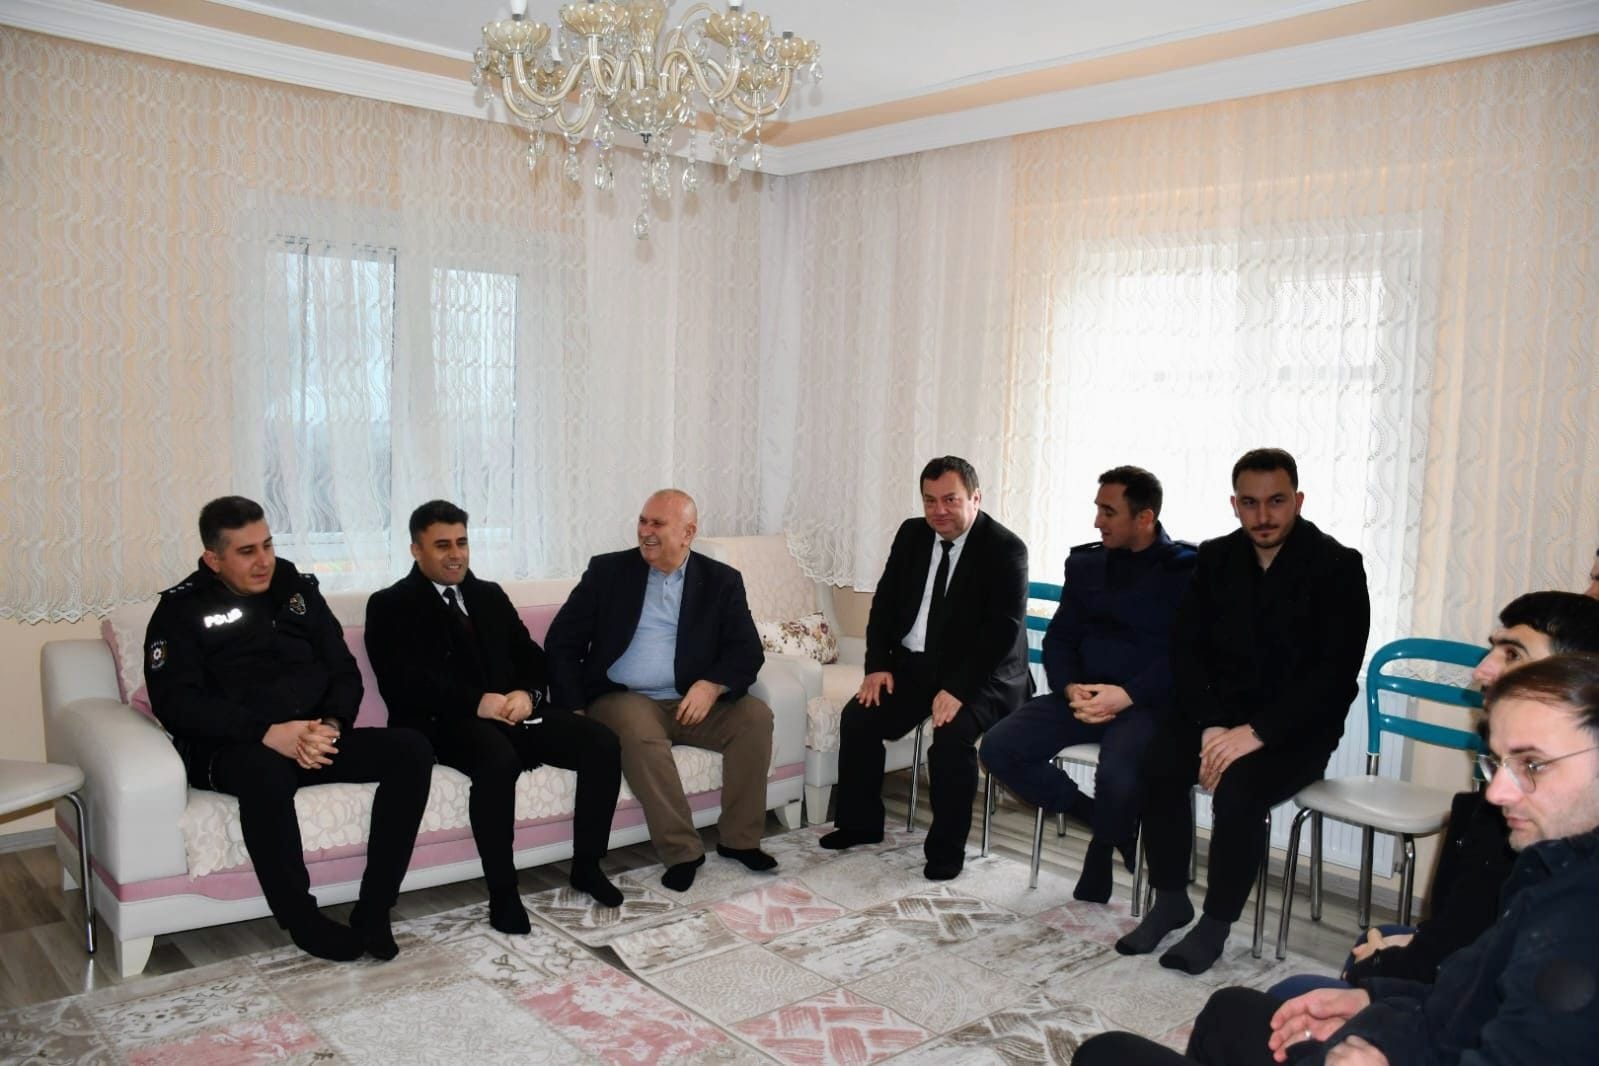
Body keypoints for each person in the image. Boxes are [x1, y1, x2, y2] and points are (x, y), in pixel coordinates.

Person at [1072, 653, 1599, 1066]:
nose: (1499, 791)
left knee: (1107, 1054)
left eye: (1532, 764)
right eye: (1497, 763)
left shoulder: (1576, 928)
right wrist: (1374, 1006)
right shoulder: (1552, 868)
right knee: (1230, 1009)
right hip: (1416, 1041)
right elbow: (1466, 997)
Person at [1268, 590, 1599, 999]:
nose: (1482, 670)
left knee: (1291, 994)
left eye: (1513, 654)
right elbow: (1468, 938)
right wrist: (1411, 949)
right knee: (1367, 948)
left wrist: (1379, 974)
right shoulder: (1498, 812)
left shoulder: (1547, 838)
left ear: (1572, 677)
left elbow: (1477, 984)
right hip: (1456, 982)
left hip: (1453, 1002)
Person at [142, 496, 431, 962]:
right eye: (246, 551)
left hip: (312, 738)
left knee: (412, 750)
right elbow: (177, 703)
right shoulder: (182, 610)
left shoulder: (295, 590)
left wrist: (331, 726)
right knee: (266, 774)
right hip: (232, 747)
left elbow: (343, 670)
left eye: (268, 545)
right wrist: (266, 732)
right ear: (213, 559)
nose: (264, 561)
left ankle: (375, 909)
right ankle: (302, 920)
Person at [1116, 448, 1370, 974]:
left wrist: (1257, 733)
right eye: (1250, 503)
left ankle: (1216, 922)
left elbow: (1333, 676)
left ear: (1298, 500)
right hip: (1218, 717)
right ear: (1234, 505)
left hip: (1295, 730)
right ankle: (1170, 898)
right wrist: (1211, 724)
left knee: (1239, 792)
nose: (1263, 516)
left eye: (1276, 501)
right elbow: (1187, 651)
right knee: (1157, 763)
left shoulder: (1339, 566)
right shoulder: (1215, 558)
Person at [364, 500, 625, 933]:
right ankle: (504, 892)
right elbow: (402, 683)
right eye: (443, 545)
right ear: (416, 550)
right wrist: (475, 702)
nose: (456, 554)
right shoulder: (390, 604)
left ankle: (587, 865)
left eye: (462, 542)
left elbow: (532, 658)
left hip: (511, 713)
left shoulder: (489, 595)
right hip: (442, 723)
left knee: (602, 742)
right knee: (497, 760)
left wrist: (528, 694)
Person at [980, 465, 1196, 902]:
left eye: (1108, 512)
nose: (1097, 521)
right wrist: (1069, 687)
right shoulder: (1086, 564)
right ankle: (1104, 823)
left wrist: (1128, 695)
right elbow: (1061, 638)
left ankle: (1100, 850)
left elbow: (1187, 656)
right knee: (998, 748)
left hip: (1145, 704)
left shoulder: (1187, 570)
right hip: (1082, 697)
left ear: (1145, 517)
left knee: (1118, 773)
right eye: (1098, 509)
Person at [542, 489, 773, 893]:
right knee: (638, 730)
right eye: (643, 521)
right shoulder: (608, 572)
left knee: (755, 717)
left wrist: (712, 685)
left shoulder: (721, 581)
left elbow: (747, 651)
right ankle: (683, 852)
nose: (646, 531)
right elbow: (562, 640)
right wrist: (573, 708)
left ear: (688, 533)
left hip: (691, 702)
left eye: (658, 524)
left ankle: (740, 840)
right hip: (623, 697)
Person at [820, 456, 1031, 880]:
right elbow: (884, 605)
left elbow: (1001, 633)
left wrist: (959, 689)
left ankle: (946, 851)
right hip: (918, 666)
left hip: (984, 675)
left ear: (975, 498)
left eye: (950, 500)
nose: (939, 511)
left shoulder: (1005, 549)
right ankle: (861, 824)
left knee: (950, 736)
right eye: (930, 500)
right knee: (860, 716)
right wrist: (877, 666)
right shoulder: (912, 534)